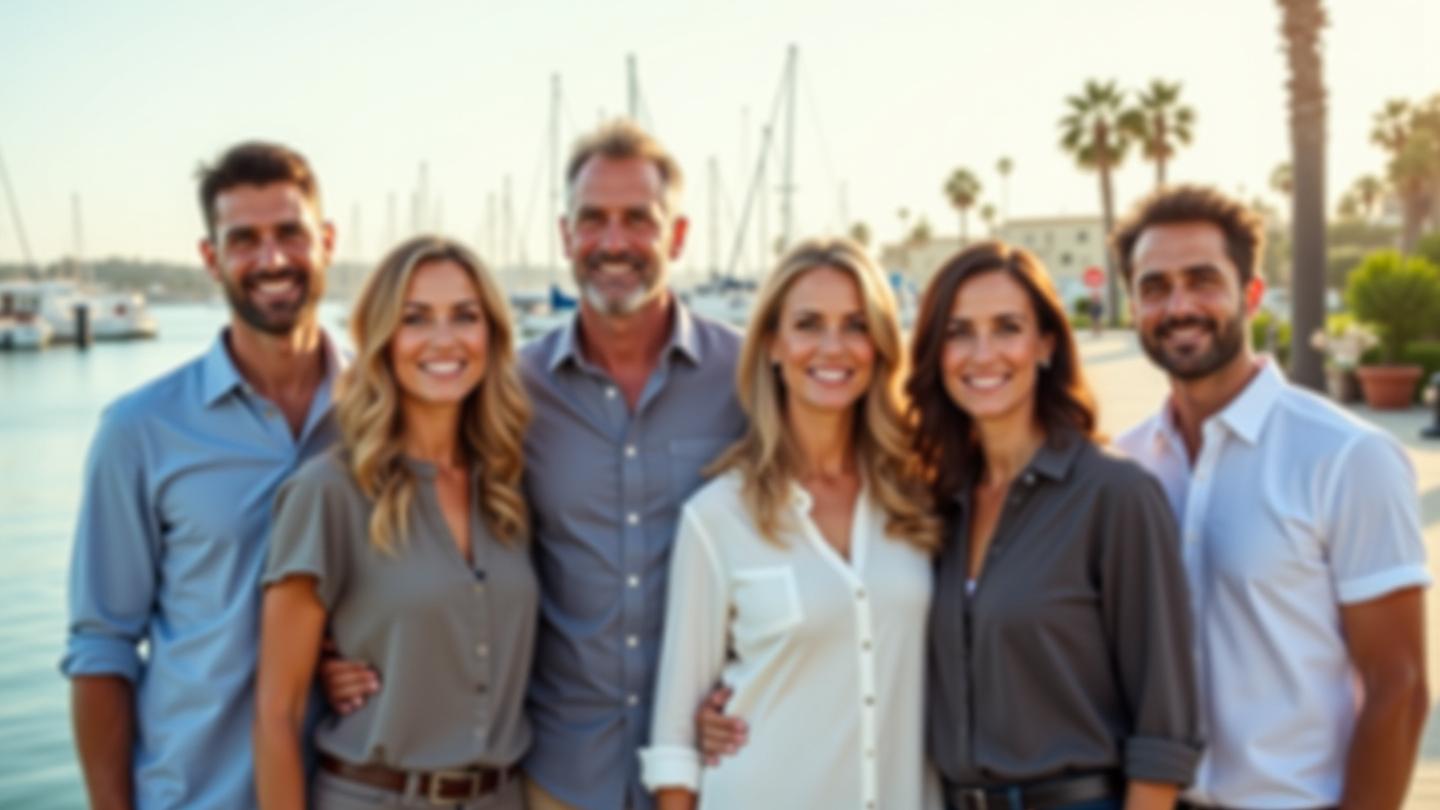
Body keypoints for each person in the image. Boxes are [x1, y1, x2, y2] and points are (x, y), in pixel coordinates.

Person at [323, 120, 747, 810]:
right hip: (557, 778)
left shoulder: (749, 380)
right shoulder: (506, 392)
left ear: (677, 235)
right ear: (564, 236)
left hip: (717, 770)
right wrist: (331, 649)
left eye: (638, 219)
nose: (613, 242)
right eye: (592, 220)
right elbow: (405, 507)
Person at [1111, 185, 1430, 810]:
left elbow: (1401, 685)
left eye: (1203, 280)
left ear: (1252, 294)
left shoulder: (1345, 457)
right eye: (1155, 287)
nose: (1178, 306)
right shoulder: (1124, 465)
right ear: (1133, 306)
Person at [62, 141, 341, 810]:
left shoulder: (383, 414)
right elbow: (102, 649)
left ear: (327, 241)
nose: (271, 259)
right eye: (244, 239)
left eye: (290, 233)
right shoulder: (140, 432)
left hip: (355, 795)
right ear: (211, 258)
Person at [640, 238, 940, 810]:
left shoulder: (919, 500)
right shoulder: (717, 517)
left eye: (855, 325)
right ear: (774, 345)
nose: (833, 347)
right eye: (808, 324)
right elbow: (676, 738)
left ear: (878, 344)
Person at [911, 241, 1200, 810]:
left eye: (1007, 328)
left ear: (1045, 343)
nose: (983, 353)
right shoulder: (933, 502)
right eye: (959, 331)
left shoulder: (1116, 496)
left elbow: (1163, 723)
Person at [254, 236, 534, 809]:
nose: (444, 339)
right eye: (415, 319)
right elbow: (277, 712)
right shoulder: (326, 492)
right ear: (383, 339)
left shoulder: (508, 487)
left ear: (492, 335)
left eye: (464, 316)